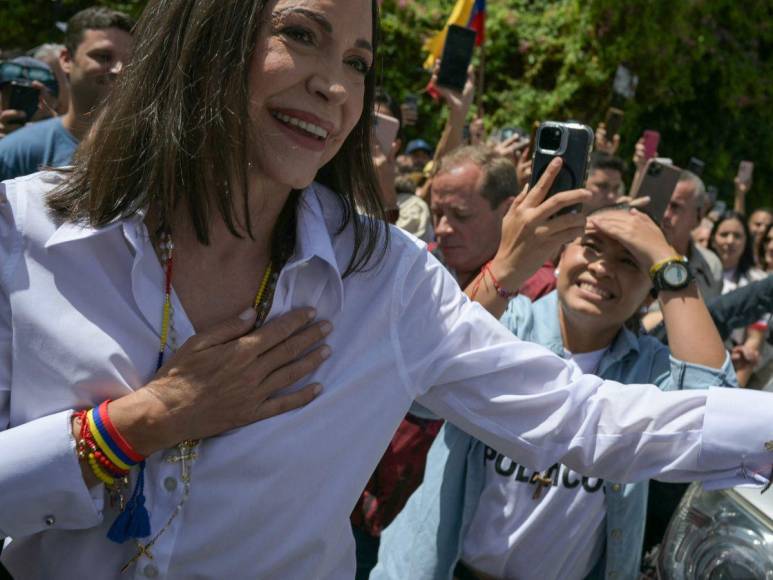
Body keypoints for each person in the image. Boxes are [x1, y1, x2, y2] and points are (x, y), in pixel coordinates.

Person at [4, 2, 773, 578]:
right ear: (206, 36)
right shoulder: (25, 236)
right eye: (301, 35)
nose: (334, 85)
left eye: (358, 63)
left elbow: (581, 417)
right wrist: (131, 427)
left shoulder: (387, 280)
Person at [373, 205, 737, 580]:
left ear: (650, 294)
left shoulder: (649, 372)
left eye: (629, 262)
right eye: (591, 247)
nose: (602, 267)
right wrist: (506, 266)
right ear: (561, 255)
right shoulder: (509, 324)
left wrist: (668, 262)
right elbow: (420, 378)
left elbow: (721, 425)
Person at [0, 7, 134, 180]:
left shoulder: (155, 154)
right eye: (103, 56)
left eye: (131, 60)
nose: (119, 69)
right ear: (66, 59)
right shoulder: (15, 153)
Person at [709, 211, 767, 385]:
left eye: (737, 236)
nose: (730, 241)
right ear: (713, 238)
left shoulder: (757, 280)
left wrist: (735, 389)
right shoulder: (693, 272)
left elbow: (755, 337)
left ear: (746, 241)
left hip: (733, 372)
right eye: (724, 234)